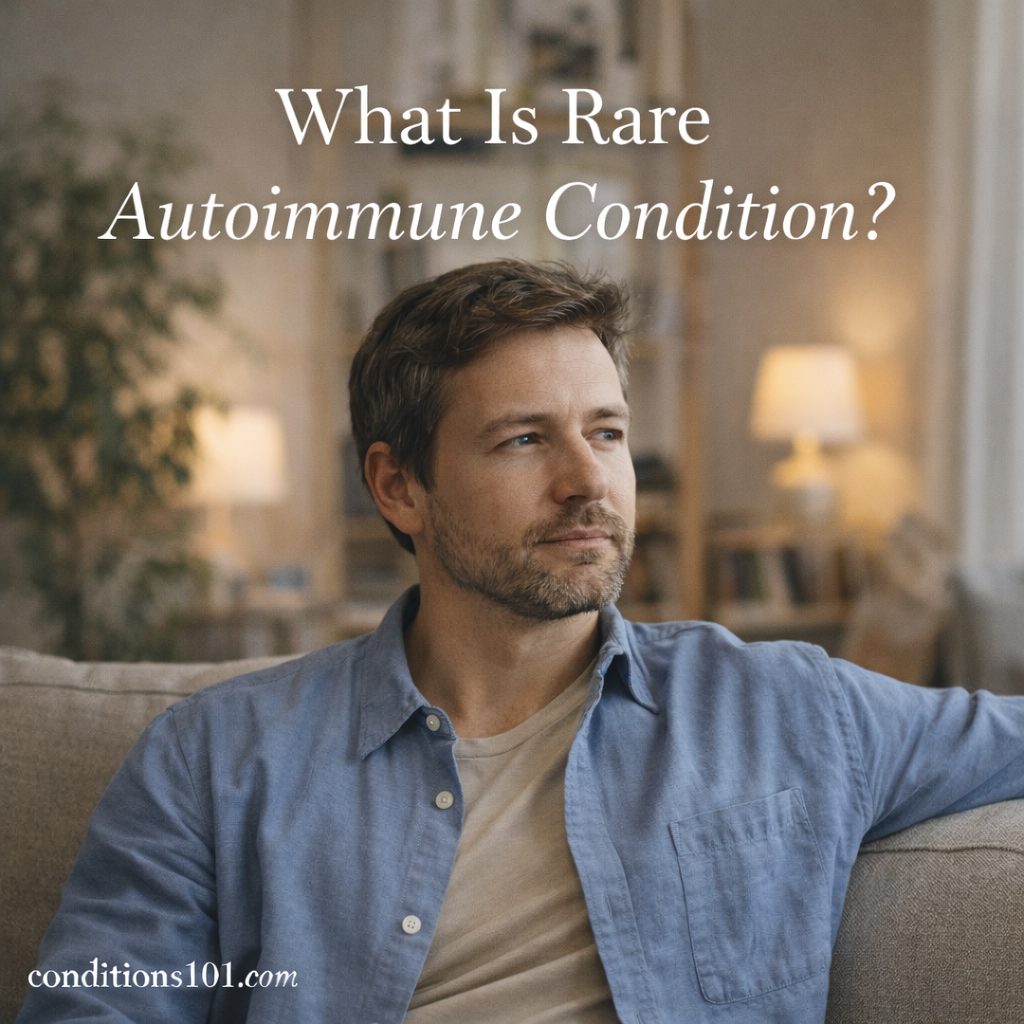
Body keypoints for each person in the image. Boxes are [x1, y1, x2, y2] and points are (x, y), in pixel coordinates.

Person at [16, 259, 1024, 1024]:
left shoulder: (786, 706)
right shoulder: (212, 760)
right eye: (525, 439)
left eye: (608, 432)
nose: (587, 481)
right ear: (397, 486)